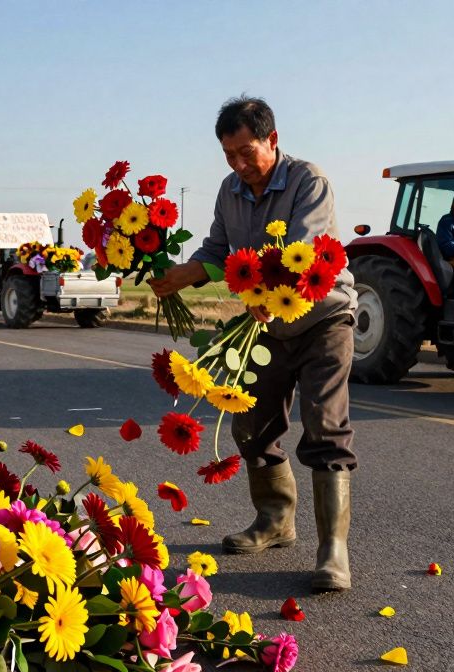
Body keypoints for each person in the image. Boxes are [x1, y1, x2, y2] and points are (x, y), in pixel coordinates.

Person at [149, 96, 358, 592]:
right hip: (266, 322)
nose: (239, 165)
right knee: (248, 421)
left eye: (247, 152)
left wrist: (260, 289)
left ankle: (333, 550)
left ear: (272, 140)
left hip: (323, 317)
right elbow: (218, 249)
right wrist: (182, 274)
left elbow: (297, 256)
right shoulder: (230, 191)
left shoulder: (309, 181)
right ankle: (275, 520)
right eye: (229, 155)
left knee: (324, 424)